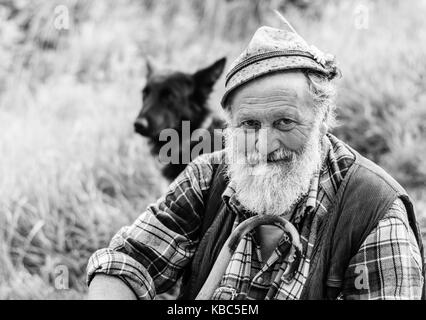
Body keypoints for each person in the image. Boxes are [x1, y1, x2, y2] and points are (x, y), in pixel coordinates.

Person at [86, 21, 425, 300]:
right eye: (249, 125)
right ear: (229, 125)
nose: (263, 146)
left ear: (323, 120)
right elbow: (128, 262)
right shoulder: (208, 176)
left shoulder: (374, 211)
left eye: (284, 122)